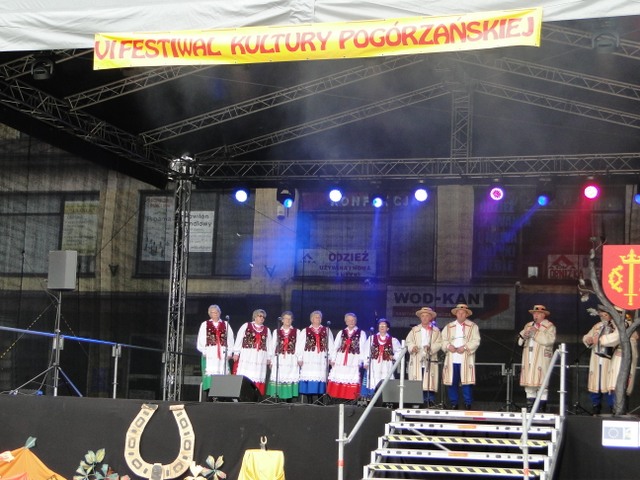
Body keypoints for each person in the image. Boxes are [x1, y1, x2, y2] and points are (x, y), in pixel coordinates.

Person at [598, 309, 639, 414]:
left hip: (623, 354)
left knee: (618, 382)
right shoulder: (620, 323)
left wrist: (601, 339)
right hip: (622, 353)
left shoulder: (623, 323)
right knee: (617, 383)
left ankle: (618, 410)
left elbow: (616, 337)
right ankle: (616, 409)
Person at [441, 303, 481, 410]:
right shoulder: (449, 326)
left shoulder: (473, 326)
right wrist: (448, 346)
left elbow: (476, 341)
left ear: (466, 314)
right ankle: (454, 403)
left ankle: (468, 403)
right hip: (452, 359)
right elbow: (442, 340)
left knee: (466, 382)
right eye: (459, 313)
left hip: (465, 358)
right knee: (452, 382)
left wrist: (465, 347)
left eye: (463, 313)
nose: (461, 314)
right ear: (456, 314)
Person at [518, 304, 556, 412]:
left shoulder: (549, 326)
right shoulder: (528, 325)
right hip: (528, 356)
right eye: (534, 313)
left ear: (543, 315)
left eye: (539, 313)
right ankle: (530, 408)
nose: (536, 315)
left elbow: (549, 340)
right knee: (529, 384)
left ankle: (541, 409)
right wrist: (524, 336)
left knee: (542, 384)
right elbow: (520, 341)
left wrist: (536, 333)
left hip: (541, 358)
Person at [406, 307, 443, 407]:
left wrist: (431, 348)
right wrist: (412, 347)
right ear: (420, 318)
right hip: (417, 358)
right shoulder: (414, 330)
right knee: (417, 379)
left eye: (427, 316)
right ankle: (416, 401)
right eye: (422, 316)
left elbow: (440, 343)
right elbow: (408, 341)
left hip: (429, 358)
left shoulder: (436, 330)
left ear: (431, 318)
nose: (425, 318)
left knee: (429, 380)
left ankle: (429, 401)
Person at [196, 304, 235, 398]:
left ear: (220, 313)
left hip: (222, 353)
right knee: (211, 371)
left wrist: (230, 352)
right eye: (213, 312)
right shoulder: (205, 324)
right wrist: (204, 351)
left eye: (216, 312)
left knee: (222, 371)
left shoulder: (225, 324)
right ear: (209, 314)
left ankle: (222, 395)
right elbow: (201, 339)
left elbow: (230, 339)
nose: (215, 314)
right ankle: (210, 395)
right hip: (210, 353)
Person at [327, 312, 367, 401]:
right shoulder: (341, 332)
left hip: (353, 359)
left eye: (353, 320)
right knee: (339, 376)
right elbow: (336, 346)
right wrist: (332, 359)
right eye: (349, 320)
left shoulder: (361, 333)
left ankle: (350, 398)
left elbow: (363, 348)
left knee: (351, 377)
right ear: (346, 322)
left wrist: (361, 361)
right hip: (341, 359)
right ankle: (337, 397)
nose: (351, 322)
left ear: (355, 321)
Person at [582, 305, 615, 414]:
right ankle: (596, 405)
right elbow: (586, 337)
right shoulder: (597, 326)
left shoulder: (615, 326)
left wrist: (601, 340)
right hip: (597, 358)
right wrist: (588, 339)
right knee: (596, 381)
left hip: (608, 359)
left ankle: (612, 406)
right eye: (601, 315)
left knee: (608, 382)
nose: (603, 317)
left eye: (605, 315)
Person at [233, 309, 272, 396]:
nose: (262, 318)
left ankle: (256, 396)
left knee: (257, 375)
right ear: (255, 316)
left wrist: (269, 357)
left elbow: (269, 345)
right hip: (247, 355)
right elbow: (239, 339)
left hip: (260, 357)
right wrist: (236, 352)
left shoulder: (267, 330)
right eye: (260, 316)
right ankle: (243, 395)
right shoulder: (247, 325)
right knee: (246, 375)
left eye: (263, 317)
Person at [298, 310, 334, 403]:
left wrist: (330, 358)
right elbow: (300, 346)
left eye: (319, 317)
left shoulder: (326, 330)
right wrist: (300, 358)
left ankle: (320, 400)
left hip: (321, 358)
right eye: (316, 317)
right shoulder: (305, 331)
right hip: (309, 358)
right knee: (309, 377)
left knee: (320, 378)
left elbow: (331, 345)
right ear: (311, 319)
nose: (318, 319)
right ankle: (310, 401)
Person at [361, 318, 402, 398]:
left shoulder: (393, 340)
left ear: (387, 328)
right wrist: (366, 362)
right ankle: (372, 397)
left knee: (385, 379)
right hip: (374, 363)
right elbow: (366, 350)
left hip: (386, 364)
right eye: (380, 325)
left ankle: (385, 398)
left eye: (384, 325)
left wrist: (394, 357)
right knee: (373, 380)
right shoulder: (372, 338)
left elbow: (400, 351)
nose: (382, 327)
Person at [266, 310, 300, 402]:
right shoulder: (276, 331)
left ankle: (289, 400)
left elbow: (299, 346)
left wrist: (299, 358)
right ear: (282, 320)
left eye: (290, 319)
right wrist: (271, 360)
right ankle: (279, 400)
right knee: (279, 376)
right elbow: (273, 346)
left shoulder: (297, 332)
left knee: (290, 377)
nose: (287, 320)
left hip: (291, 359)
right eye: (286, 318)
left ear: (292, 320)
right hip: (279, 358)